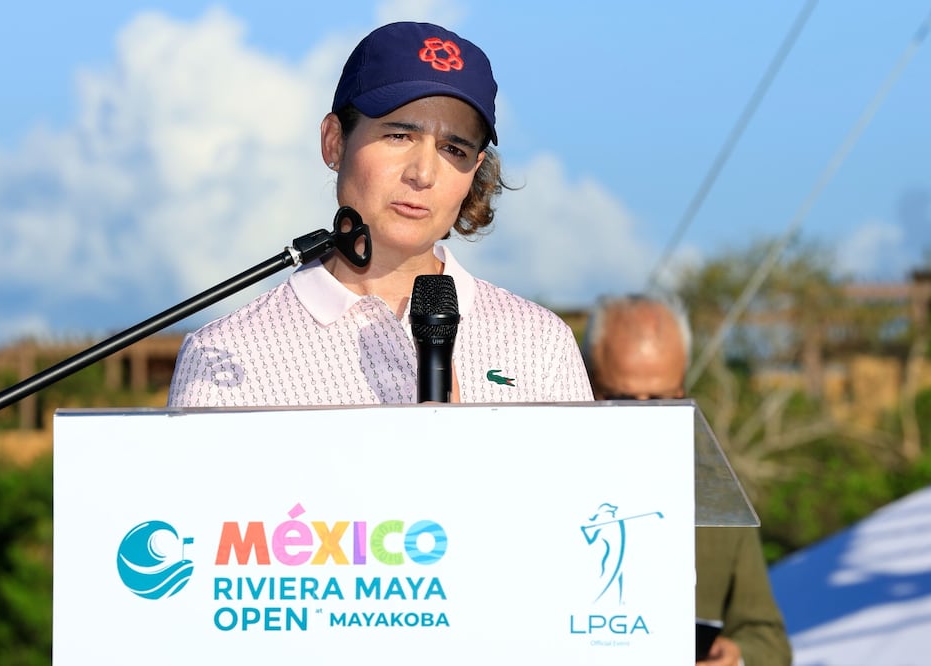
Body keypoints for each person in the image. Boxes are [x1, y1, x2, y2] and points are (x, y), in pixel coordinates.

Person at [167, 21, 592, 407]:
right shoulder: (225, 353)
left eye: (453, 149)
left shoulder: (541, 344)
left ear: (474, 171)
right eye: (399, 134)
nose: (423, 173)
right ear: (335, 142)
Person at [582, 293, 792, 666]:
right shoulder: (542, 485)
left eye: (661, 400)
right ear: (588, 384)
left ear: (681, 391)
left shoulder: (714, 496)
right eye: (623, 399)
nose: (642, 415)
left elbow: (768, 637)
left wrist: (736, 657)